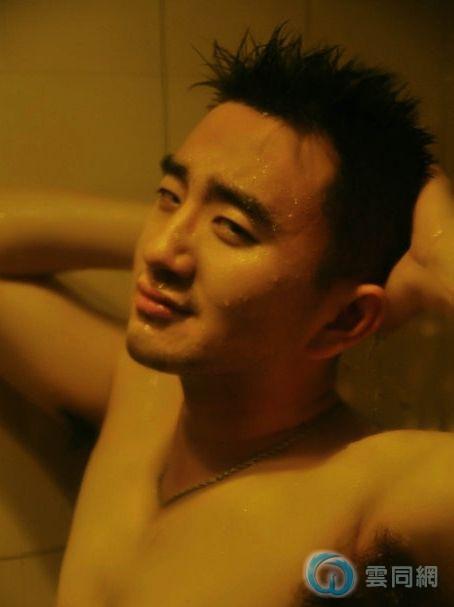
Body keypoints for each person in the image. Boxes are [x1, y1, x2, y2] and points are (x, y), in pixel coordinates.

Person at [0, 25, 453, 606]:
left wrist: (444, 260)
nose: (161, 249)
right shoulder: (144, 394)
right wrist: (195, 221)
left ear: (344, 321)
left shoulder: (382, 494)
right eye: (168, 194)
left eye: (234, 228)